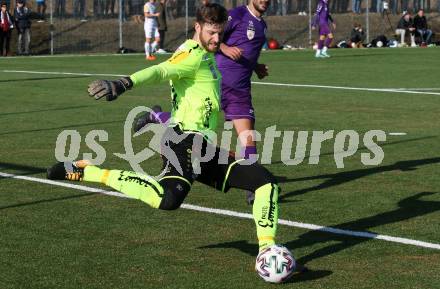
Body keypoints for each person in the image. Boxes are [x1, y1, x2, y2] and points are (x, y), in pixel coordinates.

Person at [47, 3, 280, 253]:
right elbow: (161, 70)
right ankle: (88, 171)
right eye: (211, 33)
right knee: (167, 199)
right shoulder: (191, 54)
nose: (216, 39)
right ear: (197, 27)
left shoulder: (208, 53)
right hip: (181, 141)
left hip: (202, 145)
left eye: (220, 33)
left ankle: (267, 250)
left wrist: (252, 65)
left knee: (265, 183)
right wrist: (125, 83)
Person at [134, 0, 271, 205]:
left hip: (239, 90)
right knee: (193, 121)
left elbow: (245, 50)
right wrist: (224, 48)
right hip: (214, 81)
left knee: (248, 138)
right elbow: (214, 36)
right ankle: (157, 116)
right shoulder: (237, 15)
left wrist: (255, 66)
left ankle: (253, 189)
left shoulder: (262, 25)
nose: (265, 0)